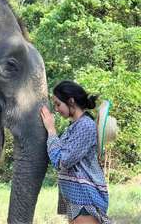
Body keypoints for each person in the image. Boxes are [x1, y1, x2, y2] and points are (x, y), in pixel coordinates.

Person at [40, 80, 111, 224]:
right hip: (75, 200)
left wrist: (51, 129)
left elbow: (61, 161)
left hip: (85, 199)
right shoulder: (74, 126)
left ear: (71, 101)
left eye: (58, 104)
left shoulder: (85, 126)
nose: (56, 109)